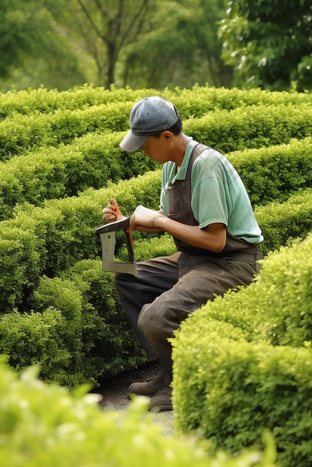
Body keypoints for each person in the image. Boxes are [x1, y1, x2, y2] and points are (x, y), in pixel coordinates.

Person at [102, 96, 263, 411]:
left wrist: (159, 220)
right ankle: (168, 370)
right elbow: (171, 223)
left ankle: (182, 384)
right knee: (127, 277)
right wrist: (128, 222)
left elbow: (216, 241)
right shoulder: (170, 168)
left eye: (145, 144)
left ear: (166, 136)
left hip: (232, 263)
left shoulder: (206, 165)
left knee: (155, 316)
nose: (143, 151)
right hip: (194, 259)